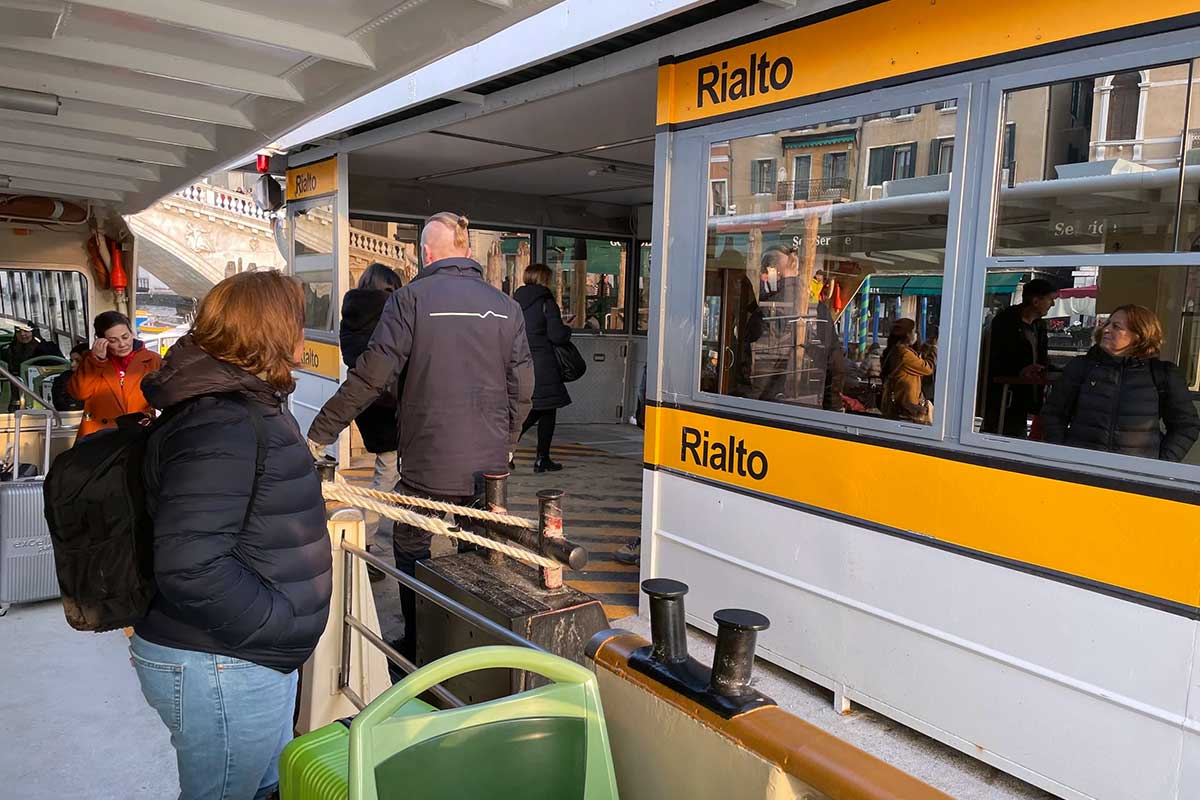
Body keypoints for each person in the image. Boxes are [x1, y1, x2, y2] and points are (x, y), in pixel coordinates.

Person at [130, 271, 331, 800]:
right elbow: (190, 565)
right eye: (298, 321)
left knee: (264, 787)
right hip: (225, 662)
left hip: (241, 657)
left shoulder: (241, 405)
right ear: (272, 331)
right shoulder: (224, 419)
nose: (304, 335)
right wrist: (278, 624)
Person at [307, 212, 533, 661]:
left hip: (427, 460)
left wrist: (321, 431)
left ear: (427, 254)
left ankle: (417, 645)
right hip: (489, 467)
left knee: (411, 544)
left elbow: (371, 377)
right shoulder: (506, 307)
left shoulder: (409, 300)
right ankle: (475, 648)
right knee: (480, 549)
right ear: (466, 250)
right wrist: (507, 442)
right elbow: (523, 387)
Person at [1041, 305, 1200, 461]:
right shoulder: (1082, 367)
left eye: (1116, 327)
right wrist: (1064, 454)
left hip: (1135, 472)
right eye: (1107, 324)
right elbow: (1053, 414)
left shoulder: (1162, 374)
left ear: (1139, 335)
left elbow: (1186, 426)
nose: (1106, 329)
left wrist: (1162, 463)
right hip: (1081, 466)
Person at [340, 263, 405, 492]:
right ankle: (374, 515)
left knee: (387, 466)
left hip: (367, 403)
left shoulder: (352, 314)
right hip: (390, 403)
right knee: (389, 474)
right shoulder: (391, 315)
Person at [980, 279, 1057, 437]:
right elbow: (993, 357)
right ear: (1036, 301)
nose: (1053, 304)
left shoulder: (1039, 326)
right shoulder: (1005, 322)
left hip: (1027, 393)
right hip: (1004, 395)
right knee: (1002, 434)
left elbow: (1042, 357)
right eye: (1050, 299)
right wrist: (1019, 371)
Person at [513, 263, 572, 472]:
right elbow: (557, 335)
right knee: (542, 410)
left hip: (520, 362)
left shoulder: (514, 302)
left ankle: (534, 456)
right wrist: (567, 329)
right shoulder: (547, 302)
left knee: (541, 409)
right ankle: (539, 458)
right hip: (543, 365)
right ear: (545, 279)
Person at [68, 311, 161, 437]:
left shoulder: (152, 360)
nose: (122, 344)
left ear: (132, 333)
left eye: (125, 337)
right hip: (99, 436)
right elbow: (79, 393)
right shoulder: (91, 361)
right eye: (113, 341)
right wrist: (96, 361)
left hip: (139, 432)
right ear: (101, 341)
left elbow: (165, 396)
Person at [880, 318, 934, 424]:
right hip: (907, 406)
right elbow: (928, 369)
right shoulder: (905, 354)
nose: (915, 335)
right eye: (914, 331)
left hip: (898, 404)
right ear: (907, 334)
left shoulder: (895, 350)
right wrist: (933, 349)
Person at [3, 322, 62, 410]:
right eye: (18, 332)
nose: (22, 334)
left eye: (26, 331)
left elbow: (60, 365)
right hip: (18, 388)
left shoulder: (48, 348)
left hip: (43, 386)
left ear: (34, 332)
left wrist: (40, 343)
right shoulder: (11, 349)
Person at [50, 342, 89, 412]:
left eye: (78, 361)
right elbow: (61, 404)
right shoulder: (63, 379)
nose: (72, 365)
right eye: (71, 361)